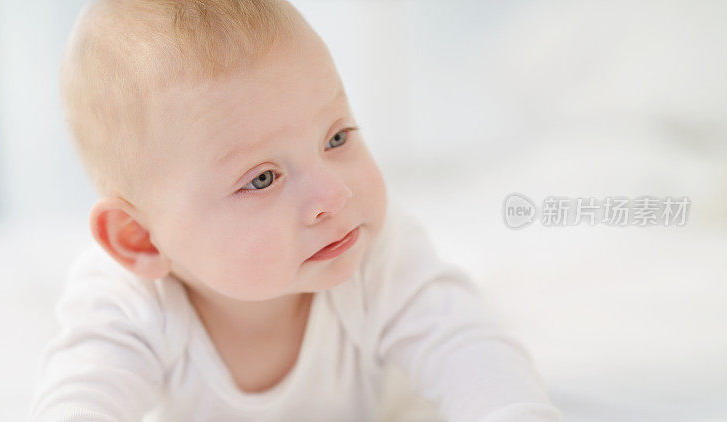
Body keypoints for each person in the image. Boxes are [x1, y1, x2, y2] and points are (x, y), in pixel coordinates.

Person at [29, 1, 563, 420]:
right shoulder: (126, 302)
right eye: (261, 178)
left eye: (336, 136)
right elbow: (81, 395)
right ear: (140, 239)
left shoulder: (377, 254)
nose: (334, 196)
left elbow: (468, 350)